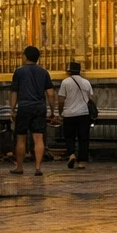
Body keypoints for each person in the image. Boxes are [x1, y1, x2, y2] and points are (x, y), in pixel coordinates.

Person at [10, 45, 56, 175]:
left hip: (24, 106)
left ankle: (19, 167)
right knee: (38, 138)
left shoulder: (19, 72)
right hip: (39, 107)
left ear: (25, 56)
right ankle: (37, 168)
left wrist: (12, 109)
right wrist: (52, 110)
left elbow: (14, 92)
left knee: (21, 138)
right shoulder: (44, 72)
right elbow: (51, 94)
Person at [57, 60, 95, 170]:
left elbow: (61, 100)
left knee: (69, 137)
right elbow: (90, 98)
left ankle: (72, 154)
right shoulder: (86, 82)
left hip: (69, 114)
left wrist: (60, 112)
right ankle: (82, 162)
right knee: (83, 138)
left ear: (69, 71)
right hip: (84, 113)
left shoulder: (65, 82)